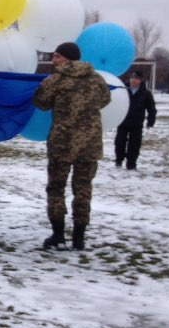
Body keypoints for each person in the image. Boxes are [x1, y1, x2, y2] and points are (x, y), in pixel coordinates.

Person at [32, 41, 111, 251]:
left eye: (57, 56)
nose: (53, 60)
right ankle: (79, 237)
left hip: (62, 143)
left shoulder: (55, 81)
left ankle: (58, 234)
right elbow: (105, 99)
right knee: (83, 189)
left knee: (56, 188)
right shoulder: (96, 79)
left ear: (66, 58)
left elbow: (41, 103)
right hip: (89, 144)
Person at [114, 70, 157, 170]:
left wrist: (150, 121)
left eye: (136, 78)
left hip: (137, 124)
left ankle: (131, 164)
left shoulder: (146, 93)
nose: (134, 80)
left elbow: (151, 109)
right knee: (119, 143)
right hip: (122, 122)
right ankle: (118, 160)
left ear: (140, 80)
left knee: (134, 145)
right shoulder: (123, 90)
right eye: (132, 78)